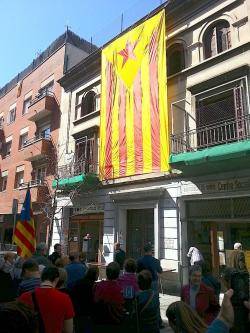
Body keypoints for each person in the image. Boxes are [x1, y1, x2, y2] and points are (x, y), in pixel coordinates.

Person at [19, 266, 75, 333]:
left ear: (41, 278)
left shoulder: (25, 296)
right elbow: (68, 330)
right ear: (57, 279)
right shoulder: (65, 298)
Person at [137, 243, 163, 328]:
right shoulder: (155, 261)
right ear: (151, 251)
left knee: (143, 300)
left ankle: (143, 318)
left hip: (143, 282)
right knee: (155, 301)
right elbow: (160, 271)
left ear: (144, 251)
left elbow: (137, 272)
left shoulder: (139, 260)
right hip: (154, 282)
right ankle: (158, 321)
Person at [93, 262, 124, 328]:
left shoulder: (99, 286)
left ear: (106, 273)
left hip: (100, 319)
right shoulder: (120, 287)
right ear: (118, 274)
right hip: (116, 320)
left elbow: (95, 300)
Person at [70, 266, 99, 333]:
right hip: (88, 313)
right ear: (96, 275)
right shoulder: (94, 286)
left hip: (77, 313)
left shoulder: (78, 282)